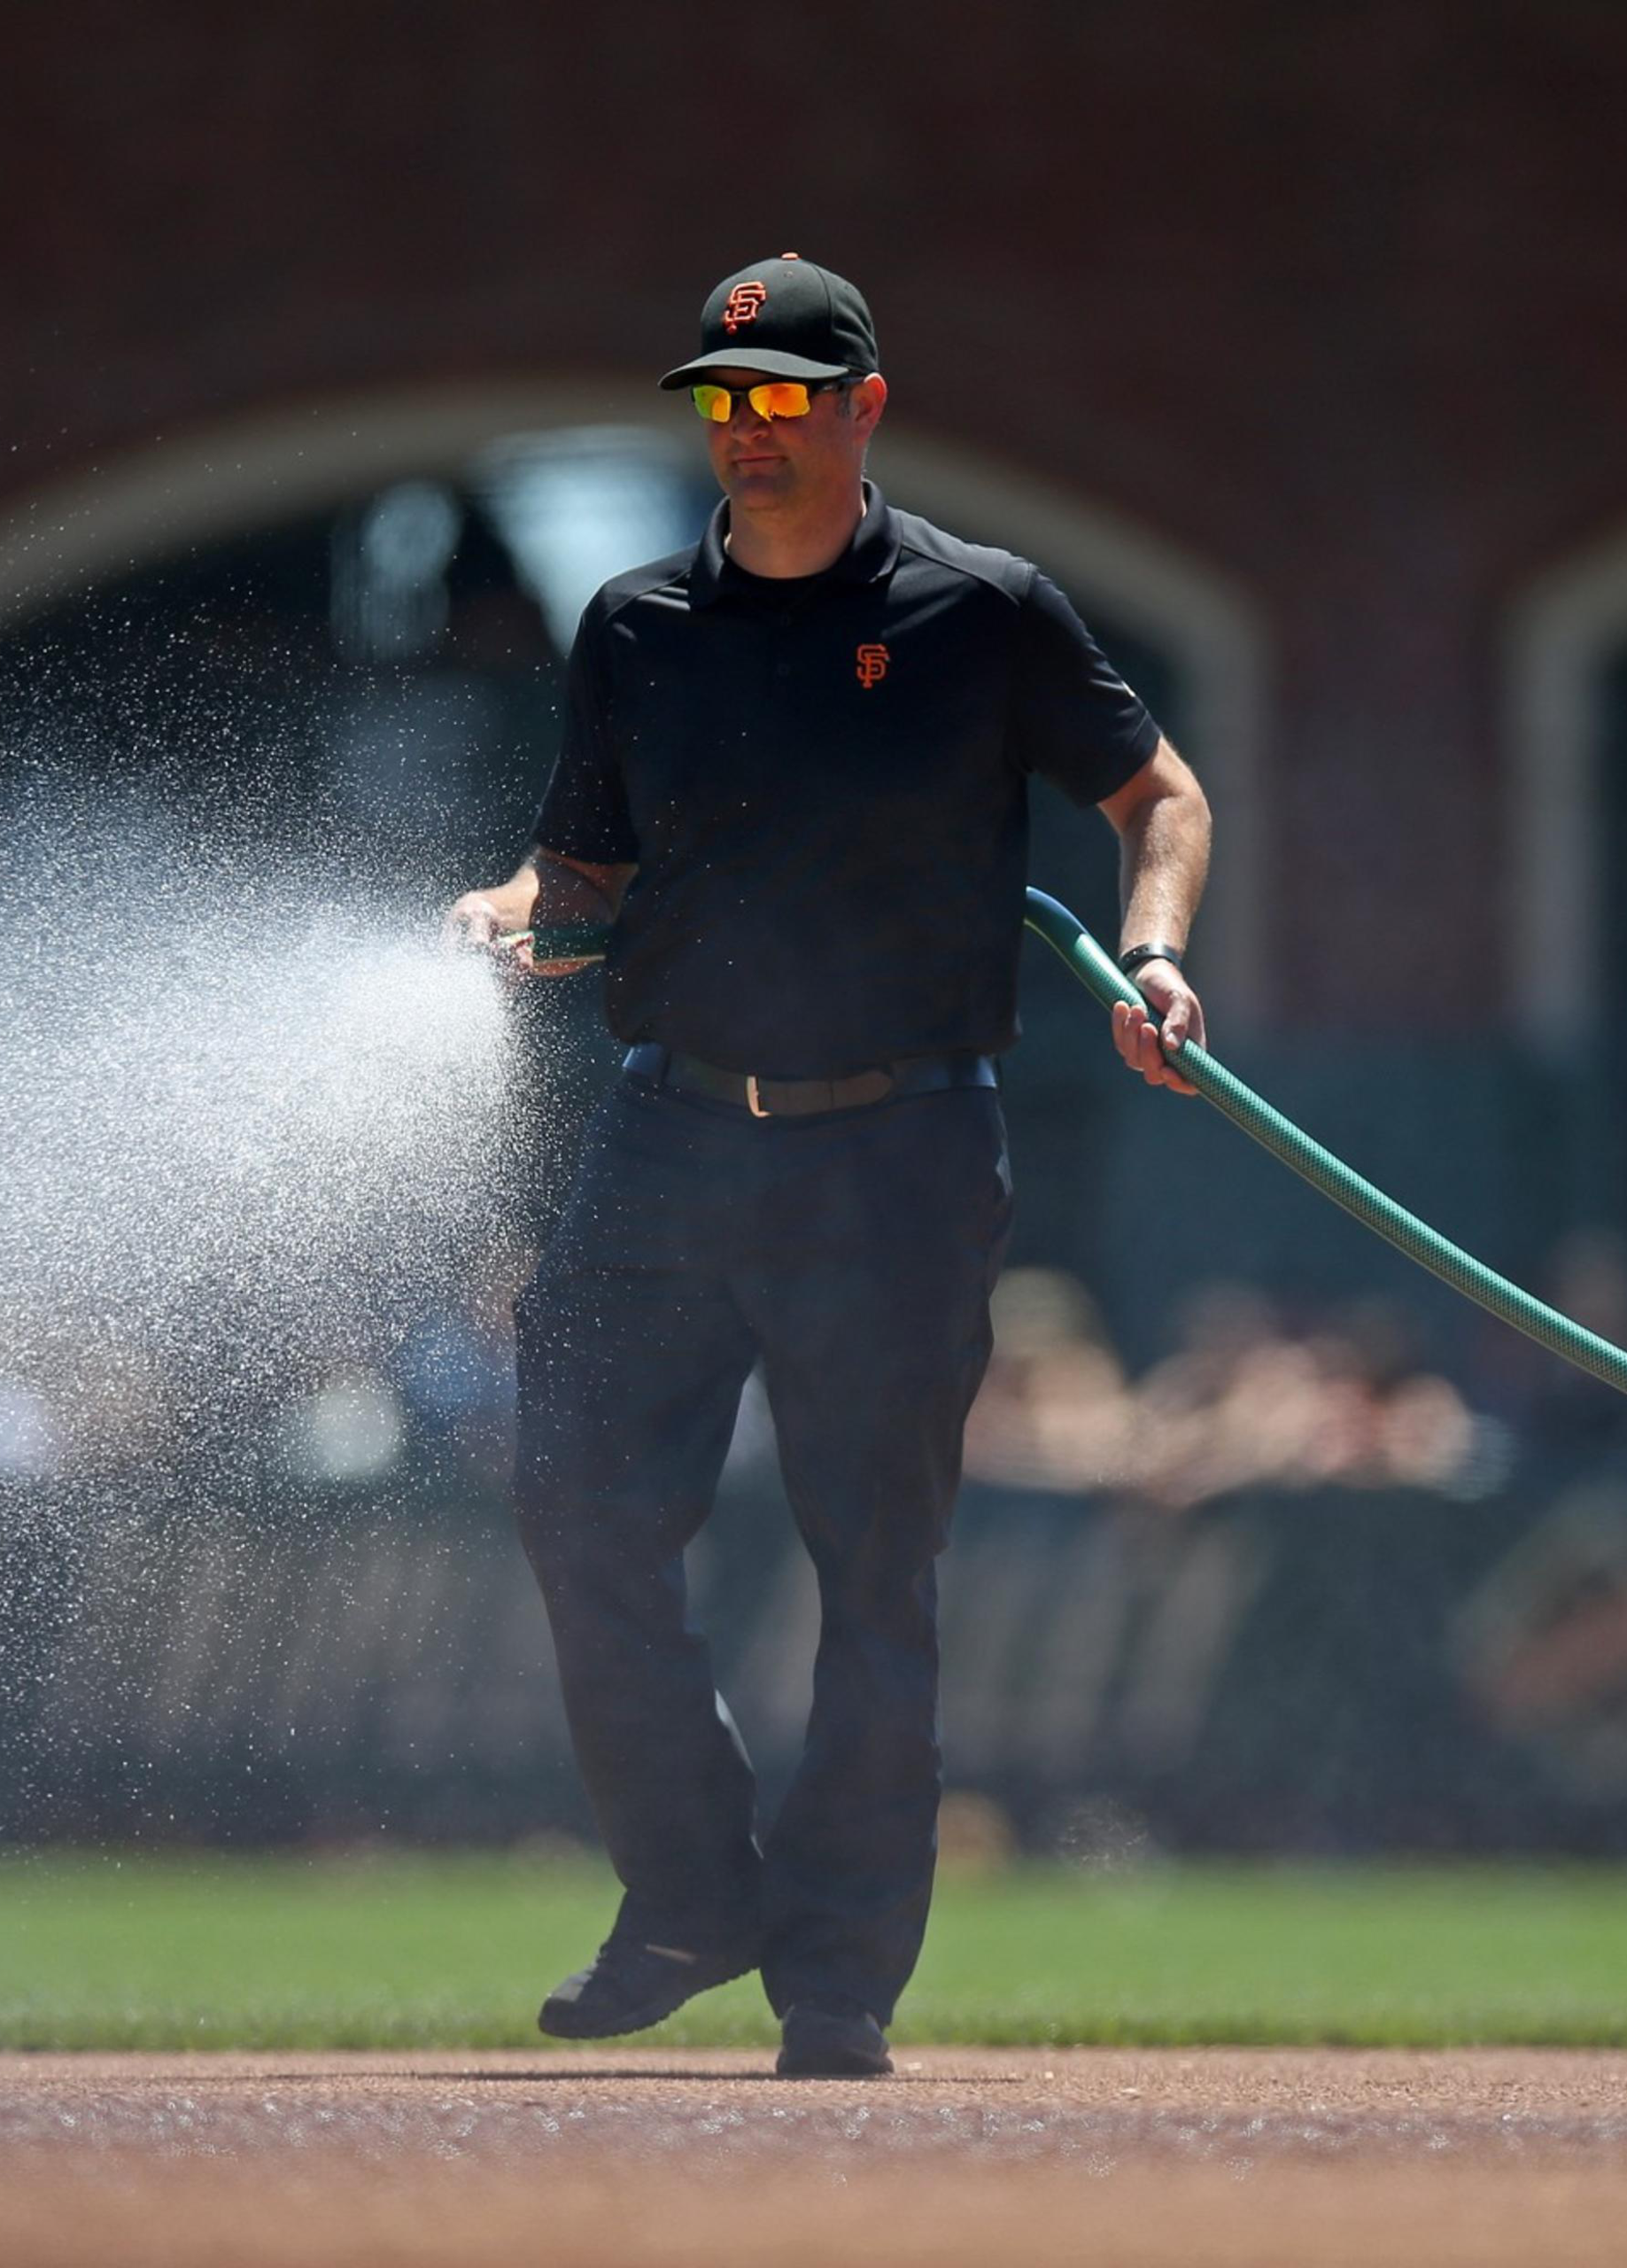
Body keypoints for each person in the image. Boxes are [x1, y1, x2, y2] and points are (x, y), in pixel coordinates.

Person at [445, 255, 1211, 2078]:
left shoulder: (981, 608)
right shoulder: (634, 621)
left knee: (876, 1567)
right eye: (722, 398)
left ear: (862, 407)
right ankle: (693, 1889)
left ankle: (838, 1973)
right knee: (574, 1504)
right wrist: (509, 905)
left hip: (900, 1146)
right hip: (669, 1123)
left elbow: (1155, 793)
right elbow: (586, 876)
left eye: (784, 395)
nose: (749, 428)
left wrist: (1160, 948)